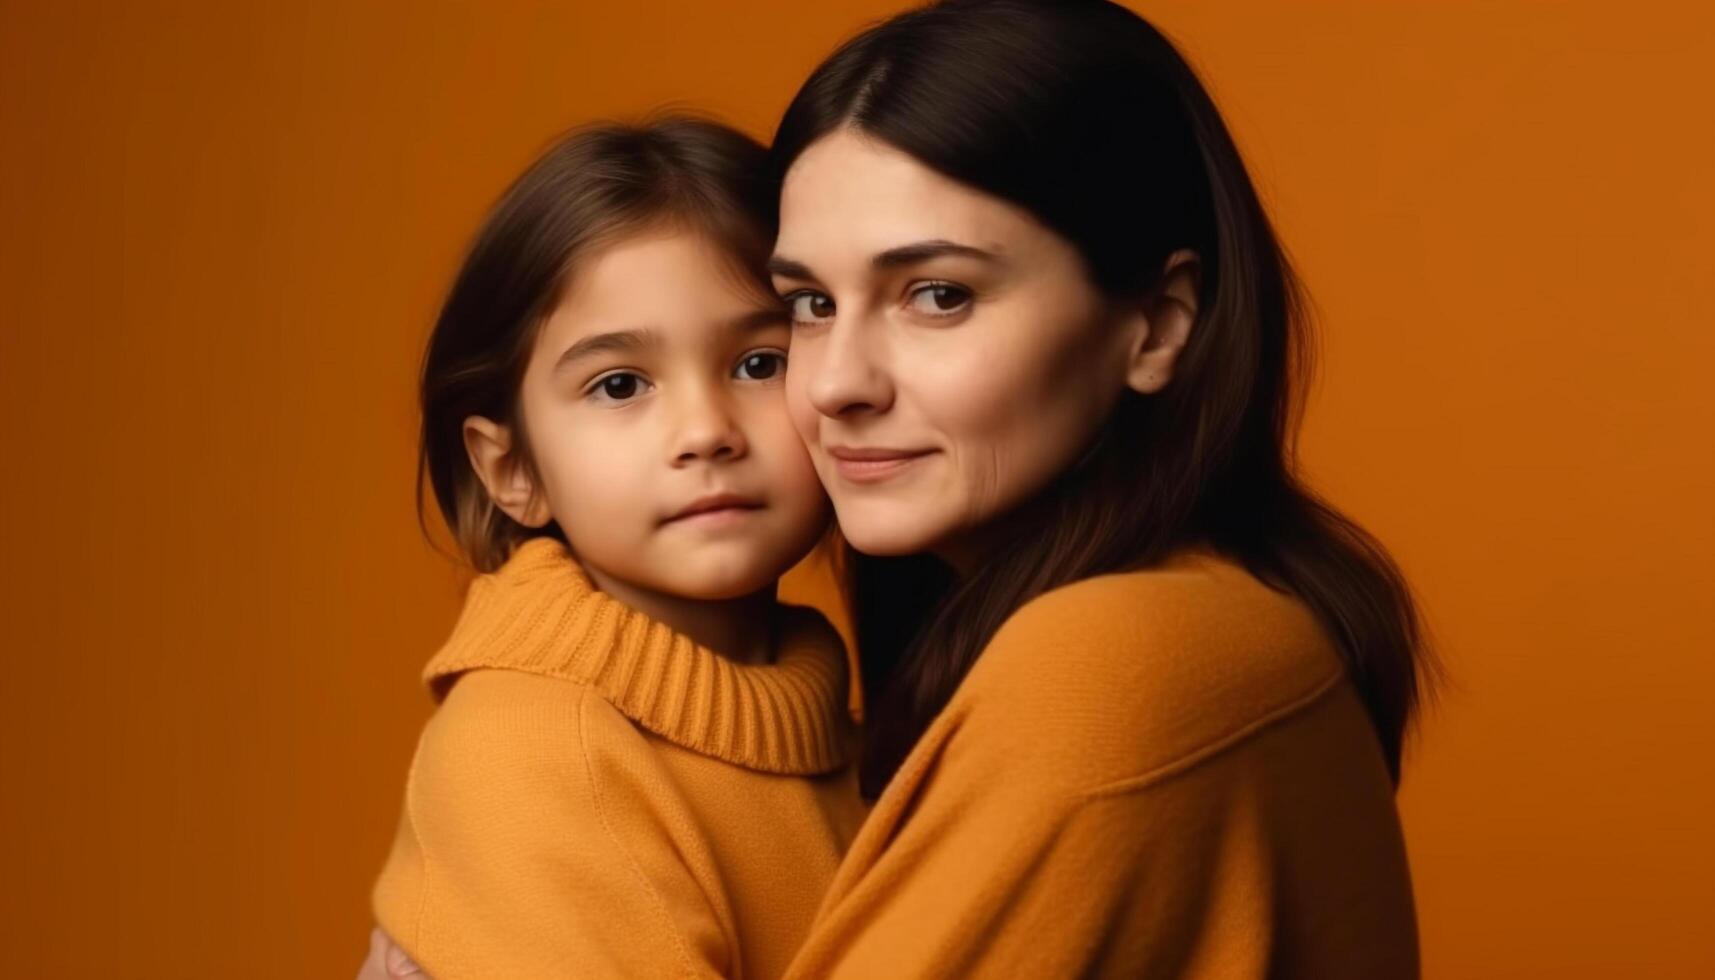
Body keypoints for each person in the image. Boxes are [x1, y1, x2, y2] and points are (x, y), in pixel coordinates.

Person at [761, 0, 1431, 975]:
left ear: (1155, 327)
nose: (833, 384)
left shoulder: (1109, 666)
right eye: (809, 304)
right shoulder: (1231, 619)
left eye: (936, 294)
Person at [357, 117, 865, 979]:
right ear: (512, 469)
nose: (705, 432)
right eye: (619, 385)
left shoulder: (856, 729)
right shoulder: (534, 749)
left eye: (757, 363)